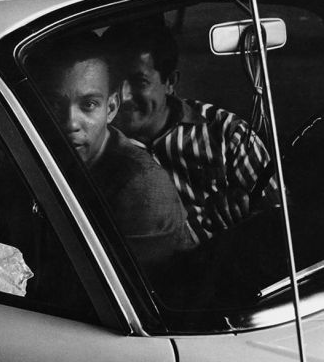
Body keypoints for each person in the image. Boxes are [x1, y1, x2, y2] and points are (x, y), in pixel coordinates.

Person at [103, 19, 279, 243]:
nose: (123, 96)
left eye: (140, 82)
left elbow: (280, 218)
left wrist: (246, 209)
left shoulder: (226, 133)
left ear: (170, 82)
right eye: (114, 80)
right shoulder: (96, 144)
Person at [29, 32, 194, 271]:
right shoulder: (9, 163)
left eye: (89, 105)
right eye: (54, 104)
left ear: (112, 107)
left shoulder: (143, 188)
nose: (70, 123)